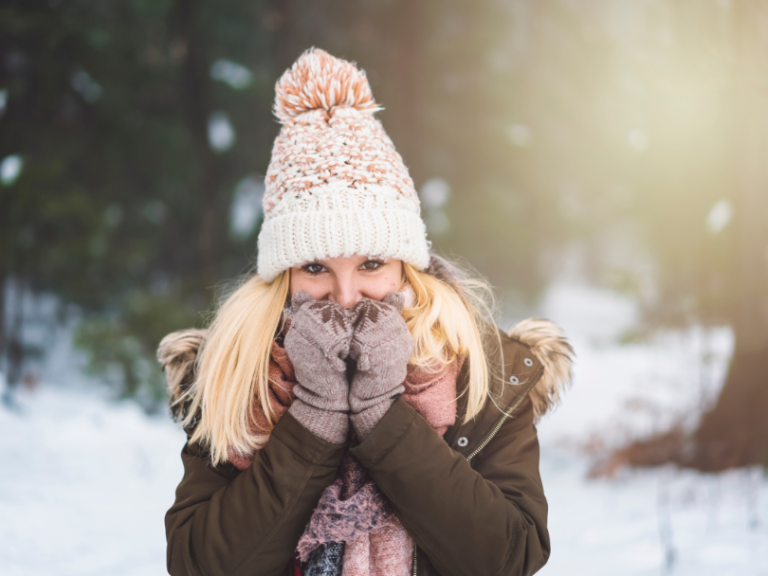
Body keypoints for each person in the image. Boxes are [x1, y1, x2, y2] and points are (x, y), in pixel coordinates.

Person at [158, 48, 573, 576]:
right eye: (315, 267)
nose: (346, 296)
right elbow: (199, 565)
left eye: (371, 263)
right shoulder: (231, 377)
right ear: (282, 277)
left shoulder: (485, 371)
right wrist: (314, 417)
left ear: (405, 267)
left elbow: (509, 557)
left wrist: (384, 418)